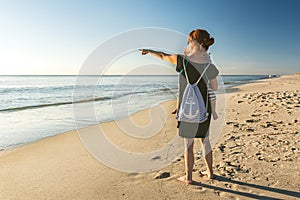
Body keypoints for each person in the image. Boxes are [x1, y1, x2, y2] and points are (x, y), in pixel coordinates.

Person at [140, 29, 219, 184]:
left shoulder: (182, 60)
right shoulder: (209, 65)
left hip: (187, 110)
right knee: (205, 141)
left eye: (189, 41)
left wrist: (149, 51)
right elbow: (215, 87)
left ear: (194, 43)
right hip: (204, 109)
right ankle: (210, 173)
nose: (187, 43)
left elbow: (162, 55)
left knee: (188, 144)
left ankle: (188, 177)